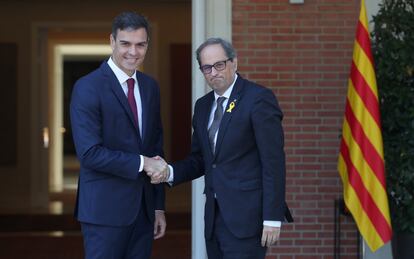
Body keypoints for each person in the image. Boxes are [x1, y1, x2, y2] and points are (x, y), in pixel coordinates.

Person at [148, 37, 293, 259]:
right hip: (214, 219)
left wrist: (272, 218)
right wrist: (169, 172)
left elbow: (273, 163)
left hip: (247, 219)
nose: (213, 72)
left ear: (234, 62)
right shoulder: (203, 106)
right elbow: (200, 159)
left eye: (219, 65)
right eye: (207, 67)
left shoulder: (258, 99)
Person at [70, 11, 168, 259]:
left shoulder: (150, 87)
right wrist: (143, 163)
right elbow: (90, 153)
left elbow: (156, 146)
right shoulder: (88, 87)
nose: (133, 52)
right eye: (125, 43)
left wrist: (157, 206)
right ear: (112, 41)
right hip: (104, 212)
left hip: (144, 212)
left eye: (140, 44)